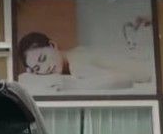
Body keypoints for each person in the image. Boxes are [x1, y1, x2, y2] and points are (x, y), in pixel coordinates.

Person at [14, 18, 155, 92]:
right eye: (37, 69)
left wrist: (72, 86)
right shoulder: (76, 52)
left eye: (43, 58)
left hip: (152, 72)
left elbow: (124, 79)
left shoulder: (76, 65)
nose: (45, 68)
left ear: (52, 45)